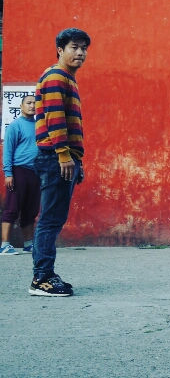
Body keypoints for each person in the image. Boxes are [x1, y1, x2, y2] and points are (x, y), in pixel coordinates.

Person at [29, 28, 90, 297]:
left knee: (53, 218)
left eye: (84, 48)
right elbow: (55, 119)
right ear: (60, 50)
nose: (80, 53)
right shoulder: (56, 76)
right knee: (50, 219)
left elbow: (68, 122)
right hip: (55, 157)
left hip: (63, 158)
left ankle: (45, 274)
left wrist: (77, 161)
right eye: (74, 47)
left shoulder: (67, 78)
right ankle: (41, 279)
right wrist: (65, 156)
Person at [1, 95, 40, 255]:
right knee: (12, 208)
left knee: (31, 210)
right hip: (18, 171)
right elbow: (8, 151)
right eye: (28, 103)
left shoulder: (40, 126)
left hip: (35, 172)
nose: (32, 106)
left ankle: (28, 244)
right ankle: (4, 245)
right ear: (21, 106)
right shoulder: (15, 126)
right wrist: (8, 173)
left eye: (35, 103)